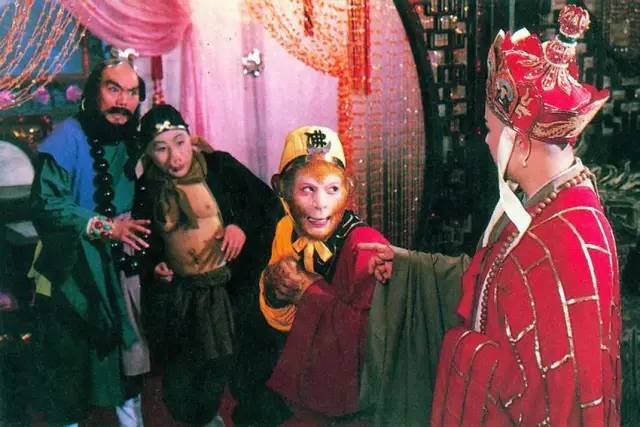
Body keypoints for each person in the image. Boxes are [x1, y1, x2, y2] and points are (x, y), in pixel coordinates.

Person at [359, 5, 620, 425]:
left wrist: (466, 347)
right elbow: (495, 282)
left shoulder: (570, 239)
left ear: (522, 145)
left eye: (490, 129)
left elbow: (559, 397)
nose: (485, 141)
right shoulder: (542, 205)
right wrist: (411, 267)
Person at [134, 104, 281, 426]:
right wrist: (154, 265)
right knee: (191, 375)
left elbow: (267, 204)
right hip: (183, 294)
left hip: (232, 286)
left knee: (242, 365)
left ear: (190, 138)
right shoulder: (147, 188)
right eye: (161, 148)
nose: (175, 156)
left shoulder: (219, 166)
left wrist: (239, 226)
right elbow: (143, 241)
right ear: (148, 153)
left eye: (179, 142)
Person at [29, 49, 151, 426]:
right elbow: (47, 204)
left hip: (121, 270)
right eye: (114, 89)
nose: (123, 101)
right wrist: (108, 227)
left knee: (127, 370)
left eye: (132, 92)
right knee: (69, 372)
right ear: (93, 91)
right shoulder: (67, 137)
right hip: (71, 273)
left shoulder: (133, 139)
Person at [259, 126, 389, 424]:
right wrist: (275, 293)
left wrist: (309, 291)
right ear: (282, 190)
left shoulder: (364, 245)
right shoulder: (287, 229)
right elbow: (280, 320)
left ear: (347, 190)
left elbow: (371, 345)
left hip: (351, 402)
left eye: (332, 189)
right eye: (307, 189)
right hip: (306, 385)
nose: (321, 204)